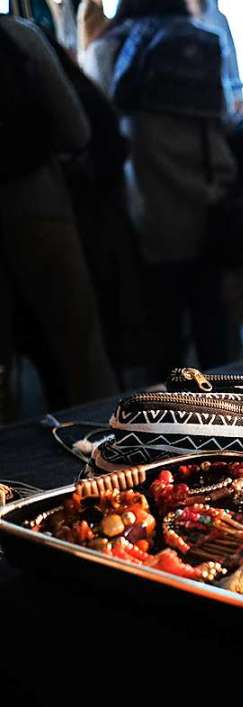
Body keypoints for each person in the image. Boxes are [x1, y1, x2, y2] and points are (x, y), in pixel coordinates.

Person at [82, 0, 243, 375]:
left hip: (147, 208)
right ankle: (234, 417)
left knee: (161, 338)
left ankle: (167, 422)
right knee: (216, 335)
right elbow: (224, 120)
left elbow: (93, 133)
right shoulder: (203, 40)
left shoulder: (108, 47)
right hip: (208, 200)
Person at [0, 14, 117, 416]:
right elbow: (77, 129)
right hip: (38, 207)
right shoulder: (17, 34)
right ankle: (107, 453)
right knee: (80, 347)